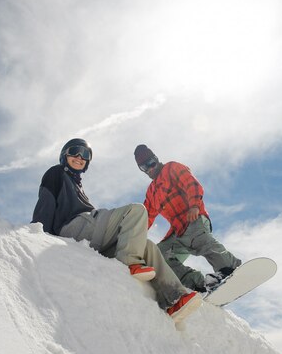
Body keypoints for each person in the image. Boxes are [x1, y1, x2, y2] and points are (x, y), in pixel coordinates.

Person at [32, 138, 201, 322]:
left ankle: (175, 298)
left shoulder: (78, 186)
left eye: (85, 155)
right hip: (74, 227)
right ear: (64, 155)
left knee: (147, 246)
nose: (80, 157)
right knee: (136, 211)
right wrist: (38, 231)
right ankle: (129, 260)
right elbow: (46, 201)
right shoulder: (56, 173)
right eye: (74, 151)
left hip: (89, 237)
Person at [134, 144, 242, 293]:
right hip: (178, 233)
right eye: (144, 168)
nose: (150, 169)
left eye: (151, 163)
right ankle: (199, 284)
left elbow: (191, 184)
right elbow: (146, 217)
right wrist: (133, 236)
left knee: (197, 238)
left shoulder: (172, 168)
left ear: (156, 159)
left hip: (193, 218)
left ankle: (229, 267)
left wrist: (194, 205)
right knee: (157, 257)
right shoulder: (152, 192)